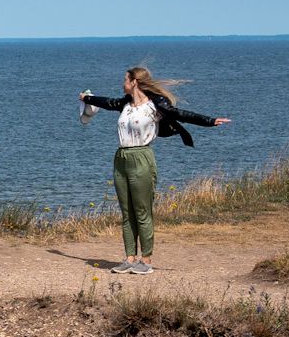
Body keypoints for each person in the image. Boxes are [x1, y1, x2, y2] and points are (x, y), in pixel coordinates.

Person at [77, 66, 229, 275]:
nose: (123, 83)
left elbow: (181, 114)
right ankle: (129, 258)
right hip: (121, 158)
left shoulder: (154, 106)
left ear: (134, 82)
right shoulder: (125, 104)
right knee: (126, 212)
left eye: (125, 80)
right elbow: (106, 102)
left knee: (142, 211)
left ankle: (145, 260)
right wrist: (87, 99)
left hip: (142, 158)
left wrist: (210, 121)